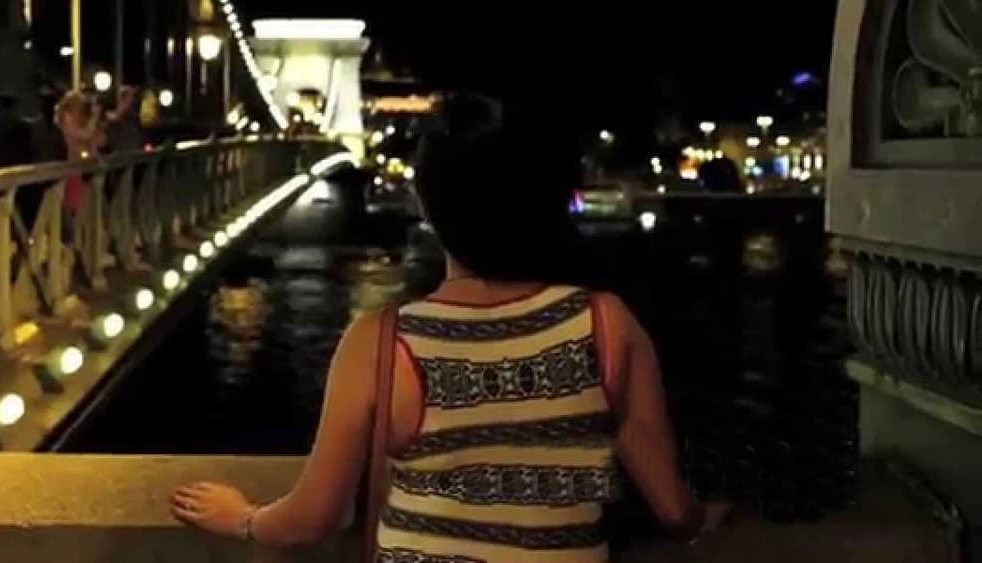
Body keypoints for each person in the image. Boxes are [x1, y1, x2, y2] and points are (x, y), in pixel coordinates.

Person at [171, 95, 729, 561]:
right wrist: (717, 512)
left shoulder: (382, 343)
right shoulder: (606, 326)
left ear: (426, 205)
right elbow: (675, 511)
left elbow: (312, 519)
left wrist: (242, 518)